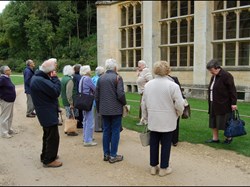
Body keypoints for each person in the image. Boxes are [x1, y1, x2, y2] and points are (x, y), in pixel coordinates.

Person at [141, 60, 185, 176]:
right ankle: (163, 168)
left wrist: (144, 116)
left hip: (154, 118)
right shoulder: (173, 86)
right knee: (166, 143)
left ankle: (153, 166)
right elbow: (179, 103)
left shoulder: (148, 85)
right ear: (167, 70)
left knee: (154, 142)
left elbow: (143, 103)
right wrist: (179, 113)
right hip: (168, 118)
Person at [30, 59, 62, 168]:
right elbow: (56, 91)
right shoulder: (40, 80)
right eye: (54, 69)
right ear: (50, 71)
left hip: (45, 111)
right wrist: (55, 78)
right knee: (53, 137)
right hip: (46, 112)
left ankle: (45, 155)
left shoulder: (38, 78)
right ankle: (49, 160)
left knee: (47, 135)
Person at [95, 58, 127, 163]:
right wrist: (124, 103)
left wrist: (99, 108)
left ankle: (106, 154)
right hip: (115, 109)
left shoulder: (101, 78)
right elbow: (121, 94)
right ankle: (113, 155)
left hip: (104, 109)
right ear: (115, 67)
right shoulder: (117, 77)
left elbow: (97, 96)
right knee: (115, 131)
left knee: (106, 131)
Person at [205, 59, 237, 144]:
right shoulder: (214, 76)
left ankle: (229, 138)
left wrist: (234, 103)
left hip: (224, 103)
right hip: (213, 103)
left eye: (211, 70)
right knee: (213, 121)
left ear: (217, 67)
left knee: (225, 121)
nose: (210, 72)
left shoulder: (226, 75)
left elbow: (232, 90)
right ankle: (215, 138)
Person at [79, 65, 97, 146]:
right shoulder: (88, 79)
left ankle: (85, 136)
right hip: (88, 100)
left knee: (85, 119)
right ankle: (88, 140)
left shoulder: (82, 78)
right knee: (90, 120)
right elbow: (95, 88)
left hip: (82, 99)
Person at [168, 75, 186, 147]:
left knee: (174, 123)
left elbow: (179, 95)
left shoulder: (174, 80)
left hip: (173, 105)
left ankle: (174, 140)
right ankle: (173, 140)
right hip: (171, 106)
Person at [61, 65, 78, 136]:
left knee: (68, 115)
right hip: (69, 101)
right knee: (71, 115)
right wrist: (71, 103)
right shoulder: (69, 80)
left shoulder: (63, 78)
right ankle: (70, 130)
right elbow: (69, 93)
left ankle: (68, 129)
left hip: (64, 100)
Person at [0, 66, 17, 138]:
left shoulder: (7, 78)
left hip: (10, 100)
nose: (10, 70)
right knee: (5, 116)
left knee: (10, 116)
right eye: (8, 70)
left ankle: (9, 129)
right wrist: (2, 96)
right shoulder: (2, 79)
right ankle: (4, 133)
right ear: (5, 72)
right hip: (6, 100)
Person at [135, 60, 153, 126]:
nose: (138, 65)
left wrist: (146, 90)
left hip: (146, 93)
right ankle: (144, 121)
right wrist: (138, 73)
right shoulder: (142, 72)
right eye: (138, 64)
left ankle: (145, 121)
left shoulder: (147, 72)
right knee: (143, 107)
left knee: (144, 107)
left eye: (140, 64)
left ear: (144, 65)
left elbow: (151, 82)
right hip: (142, 93)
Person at [92, 66, 105, 132]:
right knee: (98, 114)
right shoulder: (98, 79)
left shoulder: (94, 78)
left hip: (95, 99)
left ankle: (98, 127)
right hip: (98, 99)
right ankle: (98, 127)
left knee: (96, 114)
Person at [72, 64, 83, 128]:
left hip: (74, 94)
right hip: (78, 94)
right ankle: (79, 123)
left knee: (76, 109)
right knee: (79, 110)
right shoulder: (79, 77)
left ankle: (76, 122)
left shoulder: (73, 76)